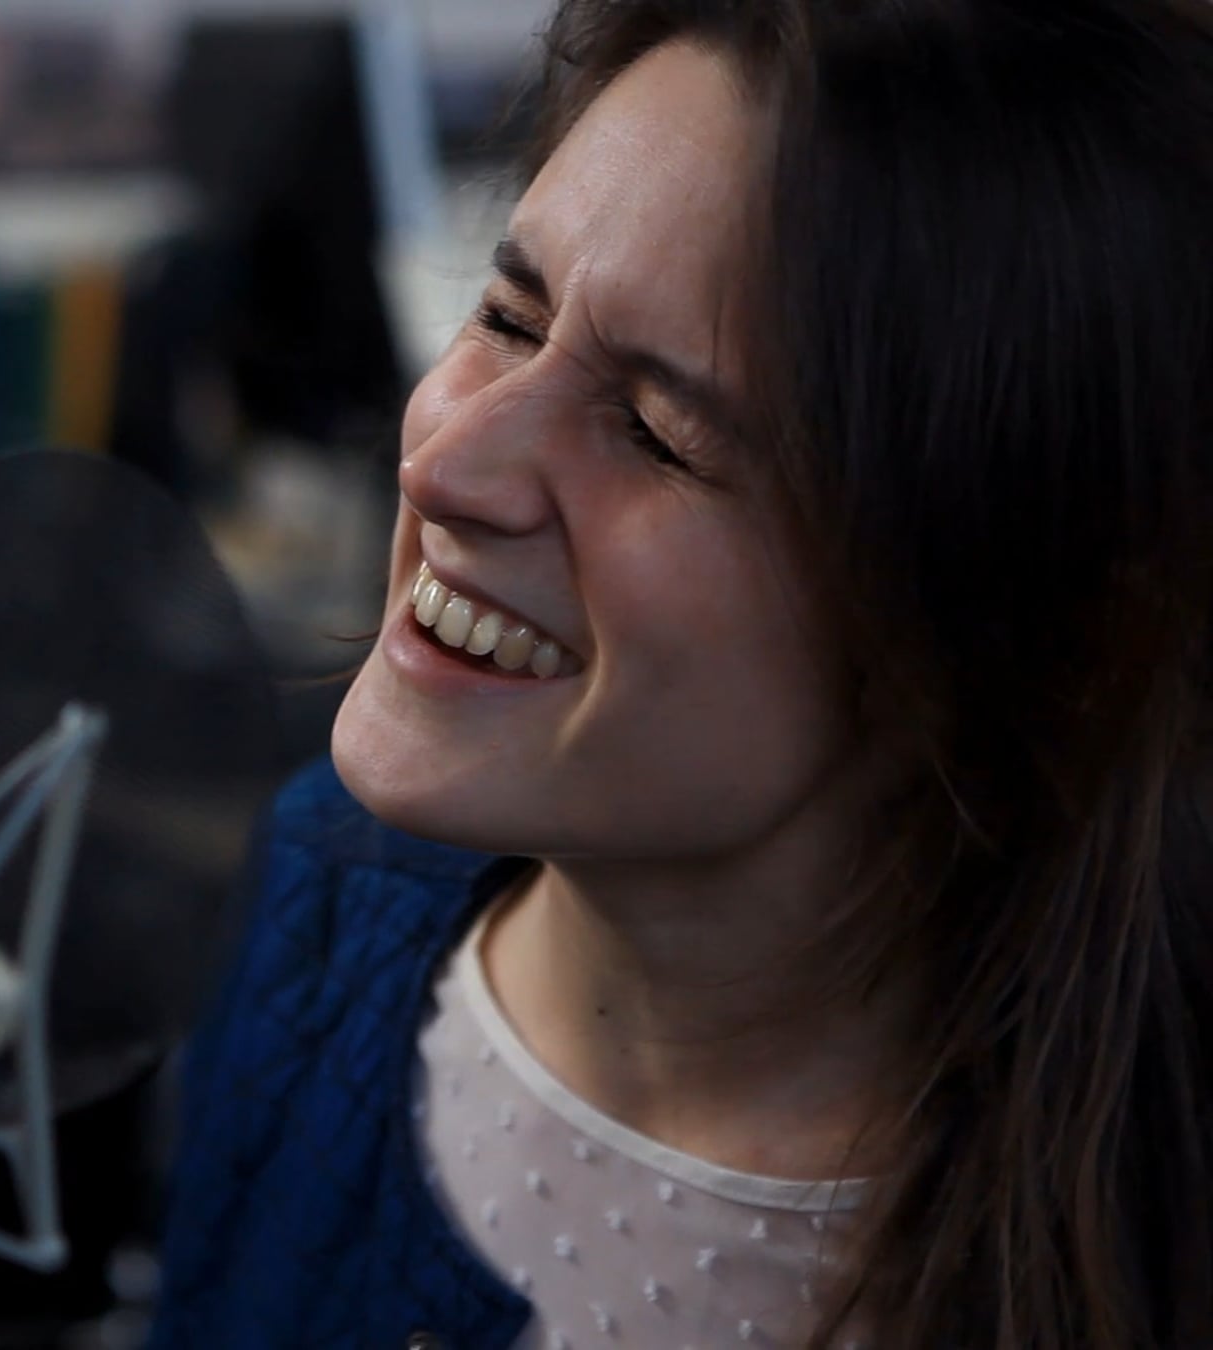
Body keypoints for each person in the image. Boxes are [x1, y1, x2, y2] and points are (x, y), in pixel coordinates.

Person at [150, 1, 1213, 1347]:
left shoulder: (1144, 1224)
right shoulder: (318, 903)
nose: (444, 463)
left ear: (1015, 628)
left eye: (656, 434)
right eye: (508, 318)